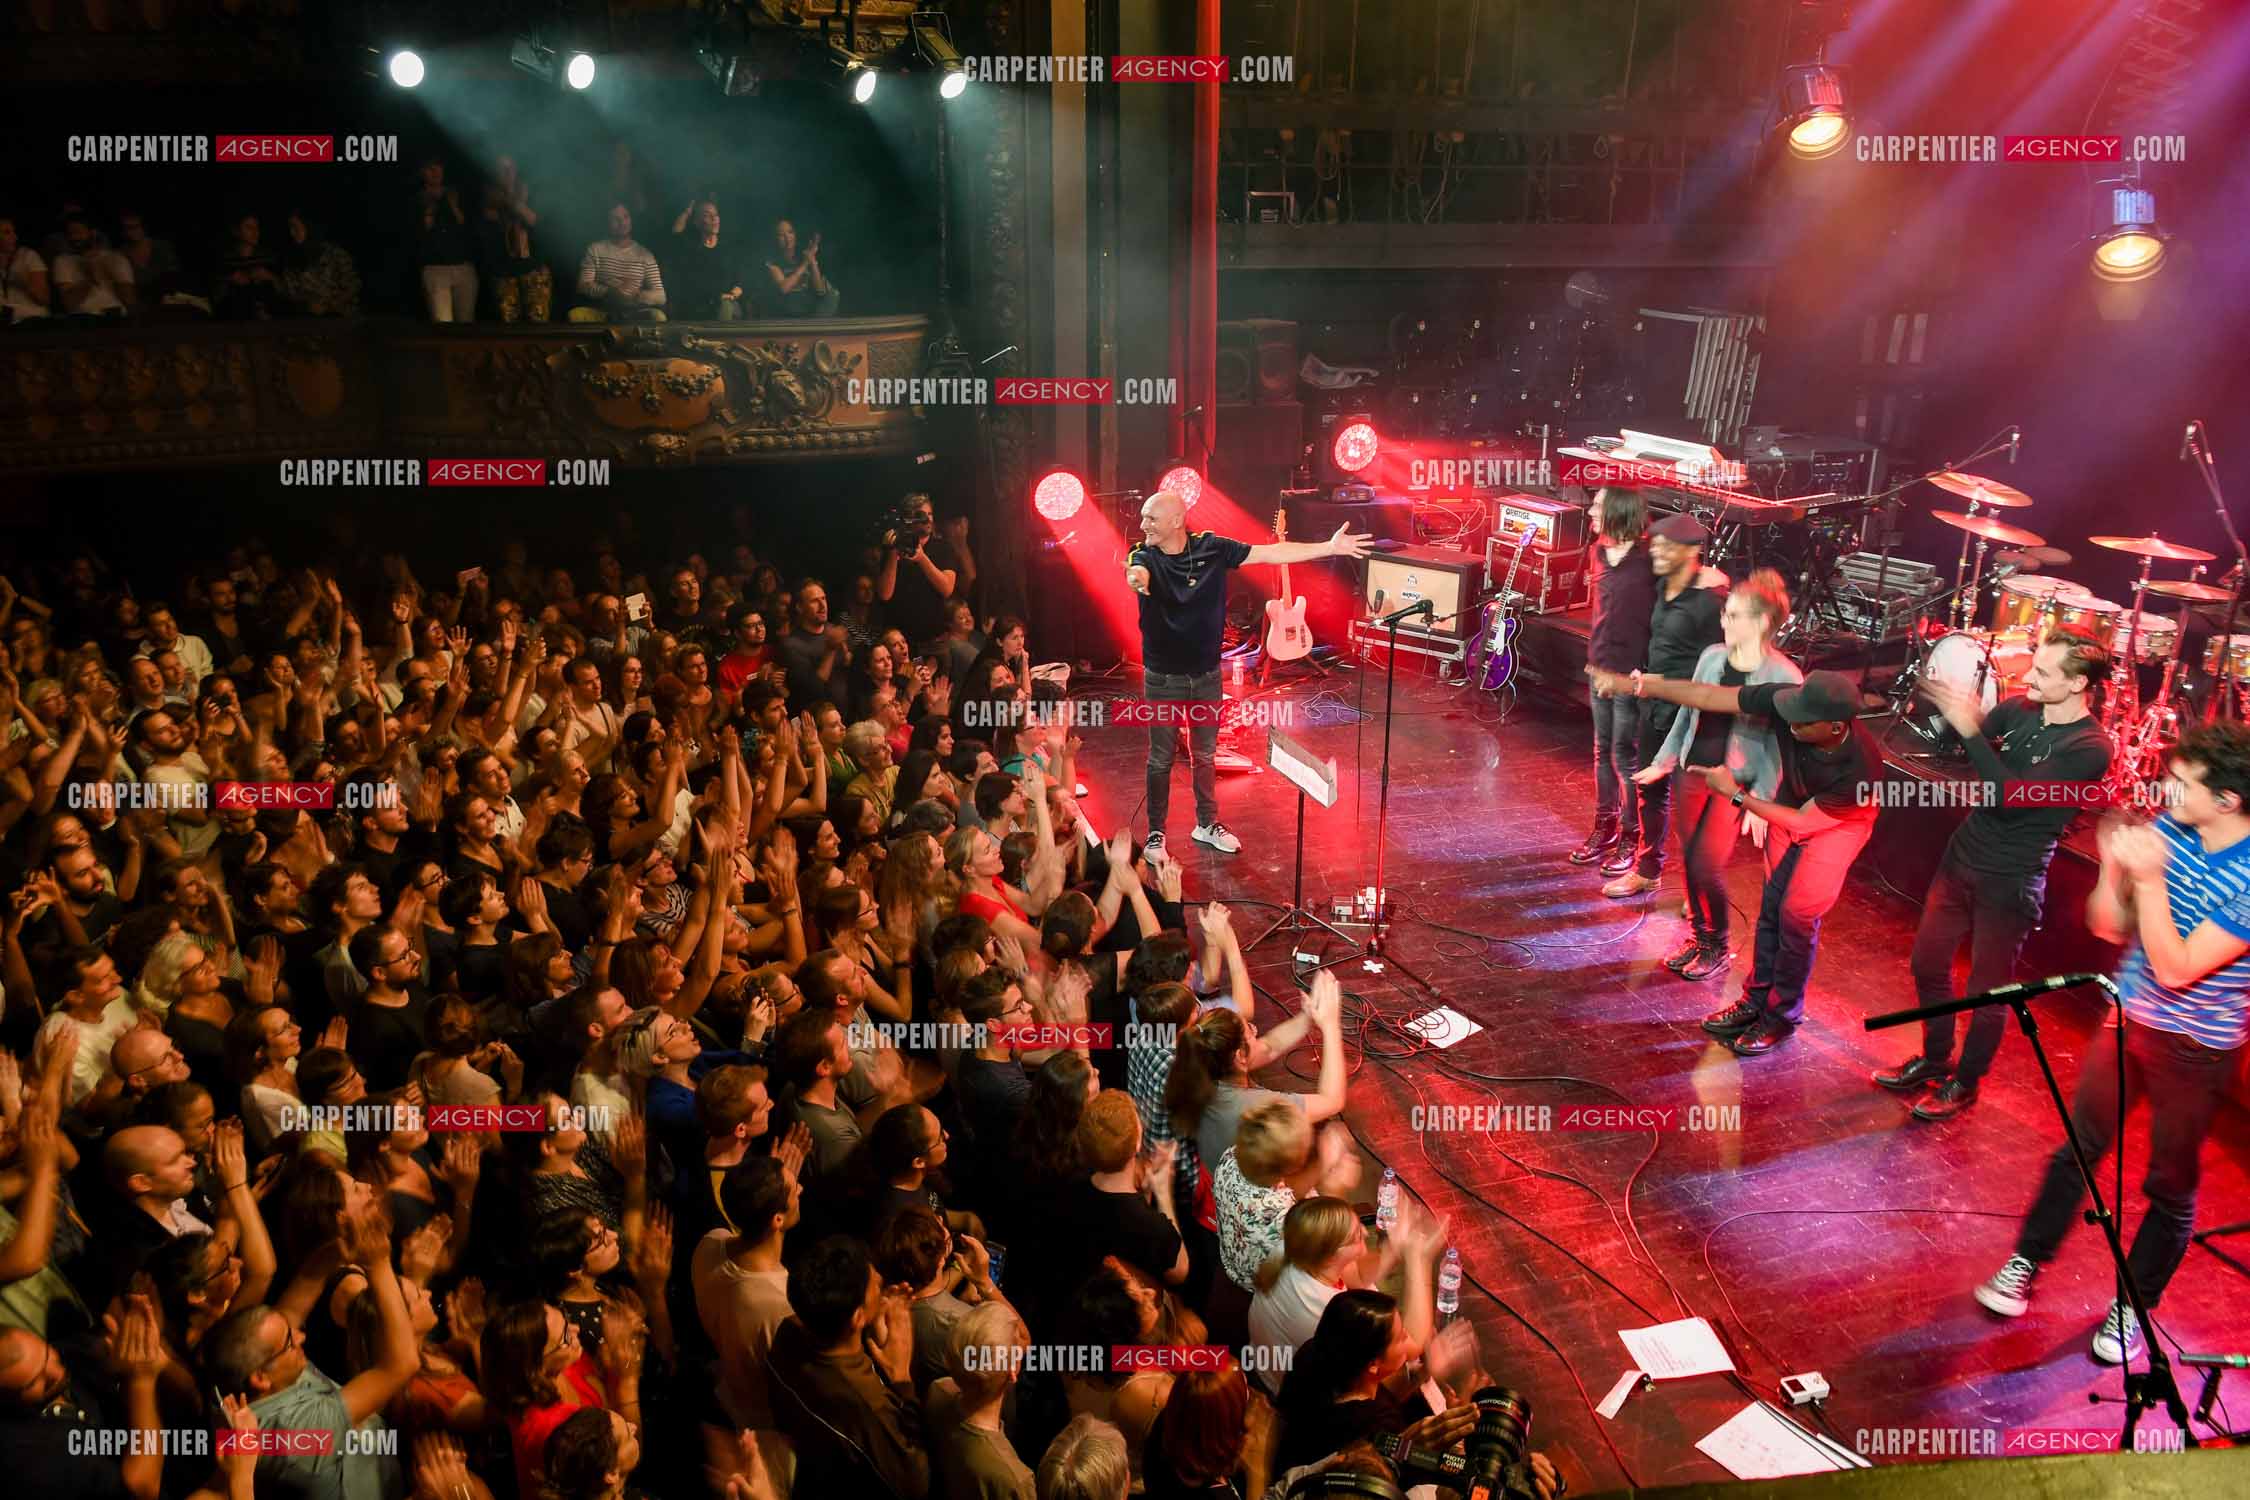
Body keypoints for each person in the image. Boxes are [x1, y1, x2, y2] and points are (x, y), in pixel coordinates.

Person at [1974, 724, 2250, 1364]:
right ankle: (2025, 1262)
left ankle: (2134, 1304)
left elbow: (2180, 966)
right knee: (2079, 1149)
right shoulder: (2171, 830)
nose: (2165, 790)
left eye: (2183, 784)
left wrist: (2148, 879)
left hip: (2197, 1047)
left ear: (2229, 801)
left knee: (2169, 1185)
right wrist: (2112, 866)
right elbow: (2107, 923)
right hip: (2128, 1020)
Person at [1876, 633, 2113, 1119]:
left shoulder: (2090, 747)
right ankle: (1936, 1057)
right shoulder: (2022, 710)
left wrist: (1969, 731)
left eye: (2044, 673)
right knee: (1927, 962)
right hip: (1962, 856)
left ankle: (1966, 1083)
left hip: (2011, 878)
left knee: (1988, 991)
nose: (2029, 678)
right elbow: (1965, 748)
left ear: (2077, 683)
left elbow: (2012, 797)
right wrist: (1945, 705)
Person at [1601, 666, 1882, 1055]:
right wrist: (1646, 684)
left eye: (1805, 721)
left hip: (1838, 825)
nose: (1792, 723)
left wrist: (1735, 796)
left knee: (1797, 915)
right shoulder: (1789, 703)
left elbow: (1803, 822)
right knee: (1771, 907)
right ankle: (1755, 1001)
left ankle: (1782, 1016)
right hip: (1792, 802)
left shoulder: (1861, 768)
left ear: (1835, 727)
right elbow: (1710, 696)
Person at [1125, 490, 1371, 856]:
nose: (1143, 524)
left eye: (1151, 518)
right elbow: (1135, 571)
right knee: (1160, 758)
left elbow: (1270, 553)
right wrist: (1137, 580)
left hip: (1207, 675)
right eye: (1144, 517)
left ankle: (1206, 824)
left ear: (1176, 520)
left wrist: (1329, 547)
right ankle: (1157, 833)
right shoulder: (1143, 554)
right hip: (1163, 677)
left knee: (1205, 755)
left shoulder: (1211, 547)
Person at [1633, 569, 1801, 981]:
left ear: (1761, 622)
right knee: (1691, 861)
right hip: (1692, 772)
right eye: (1725, 614)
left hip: (1733, 783)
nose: (1724, 622)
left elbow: (1781, 749)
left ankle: (1717, 944)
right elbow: (1687, 714)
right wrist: (1666, 759)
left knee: (1707, 864)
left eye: (1734, 616)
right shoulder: (1711, 658)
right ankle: (1699, 936)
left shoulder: (1784, 677)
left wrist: (1761, 799)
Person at [1592, 511, 1724, 897]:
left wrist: (1662, 685)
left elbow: (1718, 667)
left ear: (1693, 551)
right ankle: (1647, 871)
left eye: (1668, 548)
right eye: (1657, 547)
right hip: (1655, 707)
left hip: (1694, 712)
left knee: (1693, 805)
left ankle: (1698, 892)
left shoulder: (1710, 601)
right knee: (1651, 790)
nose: (1659, 554)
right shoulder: (1661, 586)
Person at [877, 495, 973, 650]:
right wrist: (893, 553)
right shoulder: (893, 549)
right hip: (902, 643)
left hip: (933, 641)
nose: (928, 520)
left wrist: (922, 558)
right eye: (921, 515)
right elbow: (884, 594)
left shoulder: (943, 548)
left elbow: (947, 589)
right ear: (909, 519)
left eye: (930, 514)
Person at [573, 204, 666, 323]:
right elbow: (583, 285)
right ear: (607, 223)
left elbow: (661, 296)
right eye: (615, 219)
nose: (622, 223)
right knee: (575, 315)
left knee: (658, 316)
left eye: (626, 217)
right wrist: (610, 292)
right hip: (603, 311)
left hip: (634, 313)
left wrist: (636, 295)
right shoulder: (595, 249)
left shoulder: (645, 255)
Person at [410, 159, 478, 322]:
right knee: (443, 324)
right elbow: (417, 234)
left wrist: (454, 207)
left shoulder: (457, 194)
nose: (435, 171)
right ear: (422, 172)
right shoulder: (417, 199)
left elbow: (469, 227)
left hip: (463, 268)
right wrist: (429, 210)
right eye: (429, 167)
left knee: (466, 323)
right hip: (435, 269)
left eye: (438, 167)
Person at [666, 198, 746, 321]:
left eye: (716, 215)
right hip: (700, 305)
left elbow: (739, 280)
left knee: (726, 306)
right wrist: (687, 213)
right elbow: (675, 236)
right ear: (696, 222)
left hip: (727, 304)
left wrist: (733, 294)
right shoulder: (691, 249)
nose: (714, 219)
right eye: (707, 215)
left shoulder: (728, 249)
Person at [763, 218, 838, 317]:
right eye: (781, 235)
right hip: (786, 311)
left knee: (832, 294)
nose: (787, 238)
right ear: (775, 239)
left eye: (790, 232)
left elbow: (819, 290)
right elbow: (783, 288)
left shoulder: (803, 256)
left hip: (808, 311)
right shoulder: (772, 263)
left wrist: (812, 259)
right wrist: (805, 264)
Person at [1, 215, 52, 322]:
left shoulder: (28, 256)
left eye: (13, 232)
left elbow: (44, 299)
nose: (14, 237)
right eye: (6, 232)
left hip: (30, 319)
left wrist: (25, 282)